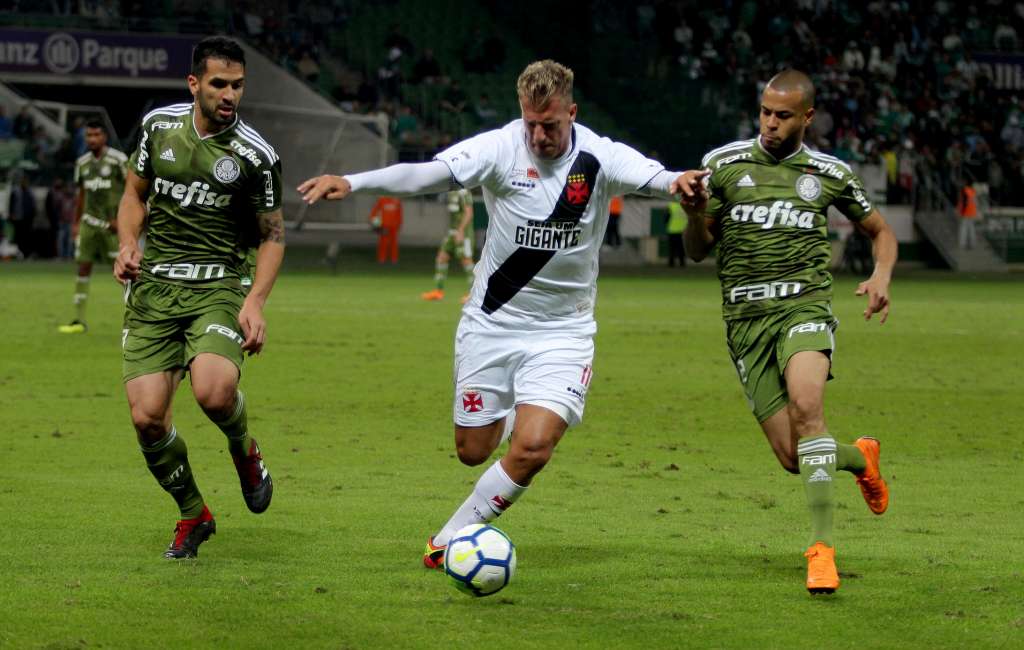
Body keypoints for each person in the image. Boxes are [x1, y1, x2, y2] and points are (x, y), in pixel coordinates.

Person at [299, 59, 689, 570]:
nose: (539, 134)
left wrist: (683, 182)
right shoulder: (500, 148)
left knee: (533, 448)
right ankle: (507, 416)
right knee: (472, 450)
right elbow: (427, 174)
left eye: (550, 123)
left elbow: (658, 177)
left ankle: (450, 538)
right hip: (493, 324)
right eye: (530, 122)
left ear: (572, 112)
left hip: (564, 332)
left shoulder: (600, 156)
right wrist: (353, 181)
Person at [678, 69, 896, 595]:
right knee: (794, 457)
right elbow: (696, 249)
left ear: (807, 118)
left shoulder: (829, 173)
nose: (771, 124)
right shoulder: (723, 165)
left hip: (805, 308)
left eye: (782, 115)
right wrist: (696, 213)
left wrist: (881, 275)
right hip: (745, 321)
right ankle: (859, 457)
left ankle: (821, 552)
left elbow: (880, 231)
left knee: (808, 408)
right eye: (765, 113)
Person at [113, 36, 285, 560]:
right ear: (195, 84)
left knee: (213, 391)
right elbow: (133, 194)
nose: (230, 94)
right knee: (147, 419)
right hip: (155, 289)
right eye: (219, 84)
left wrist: (253, 301)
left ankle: (244, 449)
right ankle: (194, 514)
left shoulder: (255, 154)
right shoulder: (157, 127)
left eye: (237, 85)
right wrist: (126, 243)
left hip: (216, 286)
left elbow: (272, 235)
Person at [58, 121, 128, 334]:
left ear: (104, 137)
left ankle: (135, 322)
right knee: (83, 267)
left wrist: (123, 219)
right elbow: (81, 195)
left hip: (113, 225)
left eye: (96, 135)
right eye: (89, 135)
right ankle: (79, 320)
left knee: (126, 272)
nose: (92, 139)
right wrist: (76, 222)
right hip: (89, 222)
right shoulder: (83, 163)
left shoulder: (118, 160)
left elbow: (132, 191)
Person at [422, 188, 475, 302]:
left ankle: (474, 295)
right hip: (452, 232)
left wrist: (461, 230)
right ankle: (438, 291)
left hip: (463, 233)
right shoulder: (451, 192)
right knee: (442, 257)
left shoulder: (464, 192)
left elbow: (469, 213)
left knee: (466, 260)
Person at [368, 195, 402, 263]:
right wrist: (377, 225)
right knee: (383, 242)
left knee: (394, 242)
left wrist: (399, 224)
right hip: (384, 226)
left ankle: (394, 259)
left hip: (394, 226)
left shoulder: (397, 200)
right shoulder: (382, 200)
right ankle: (382, 258)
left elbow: (399, 214)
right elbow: (374, 213)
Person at [957, 178, 979, 249]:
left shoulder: (964, 190)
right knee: (971, 228)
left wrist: (959, 211)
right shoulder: (973, 191)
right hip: (972, 212)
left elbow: (962, 202)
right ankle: (973, 243)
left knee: (963, 228)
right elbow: (976, 202)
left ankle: (962, 244)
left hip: (965, 212)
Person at [665, 199, 686, 266]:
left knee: (672, 248)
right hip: (682, 230)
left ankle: (671, 263)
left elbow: (666, 218)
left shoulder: (671, 206)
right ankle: (682, 263)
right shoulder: (685, 205)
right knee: (681, 248)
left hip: (672, 230)